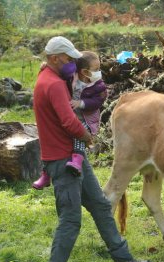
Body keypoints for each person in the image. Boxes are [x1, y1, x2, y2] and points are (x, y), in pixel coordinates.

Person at [33, 36, 153, 262]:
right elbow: (68, 121)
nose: (72, 64)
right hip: (63, 159)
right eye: (68, 59)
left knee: (99, 205)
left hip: (69, 154)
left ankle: (123, 260)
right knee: (70, 218)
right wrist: (88, 137)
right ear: (55, 58)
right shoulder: (54, 84)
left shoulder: (49, 77)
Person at [32, 50, 107, 189]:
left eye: (99, 68)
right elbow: (58, 74)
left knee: (80, 135)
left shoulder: (98, 85)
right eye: (96, 69)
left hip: (87, 118)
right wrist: (45, 67)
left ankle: (77, 159)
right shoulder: (73, 78)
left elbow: (99, 100)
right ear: (84, 71)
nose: (99, 72)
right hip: (72, 115)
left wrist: (82, 103)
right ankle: (46, 173)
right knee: (50, 141)